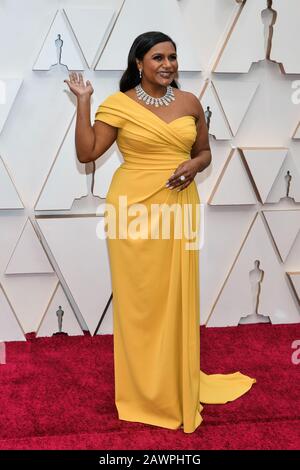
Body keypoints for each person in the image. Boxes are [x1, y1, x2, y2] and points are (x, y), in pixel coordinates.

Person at [64, 31, 256, 434]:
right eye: (157, 58)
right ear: (139, 63)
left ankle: (174, 379)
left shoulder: (189, 102)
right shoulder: (119, 105)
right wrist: (84, 103)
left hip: (177, 205)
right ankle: (142, 390)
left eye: (172, 57)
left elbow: (203, 152)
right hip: (131, 211)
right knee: (139, 300)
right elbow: (87, 153)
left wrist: (195, 166)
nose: (167, 64)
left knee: (175, 297)